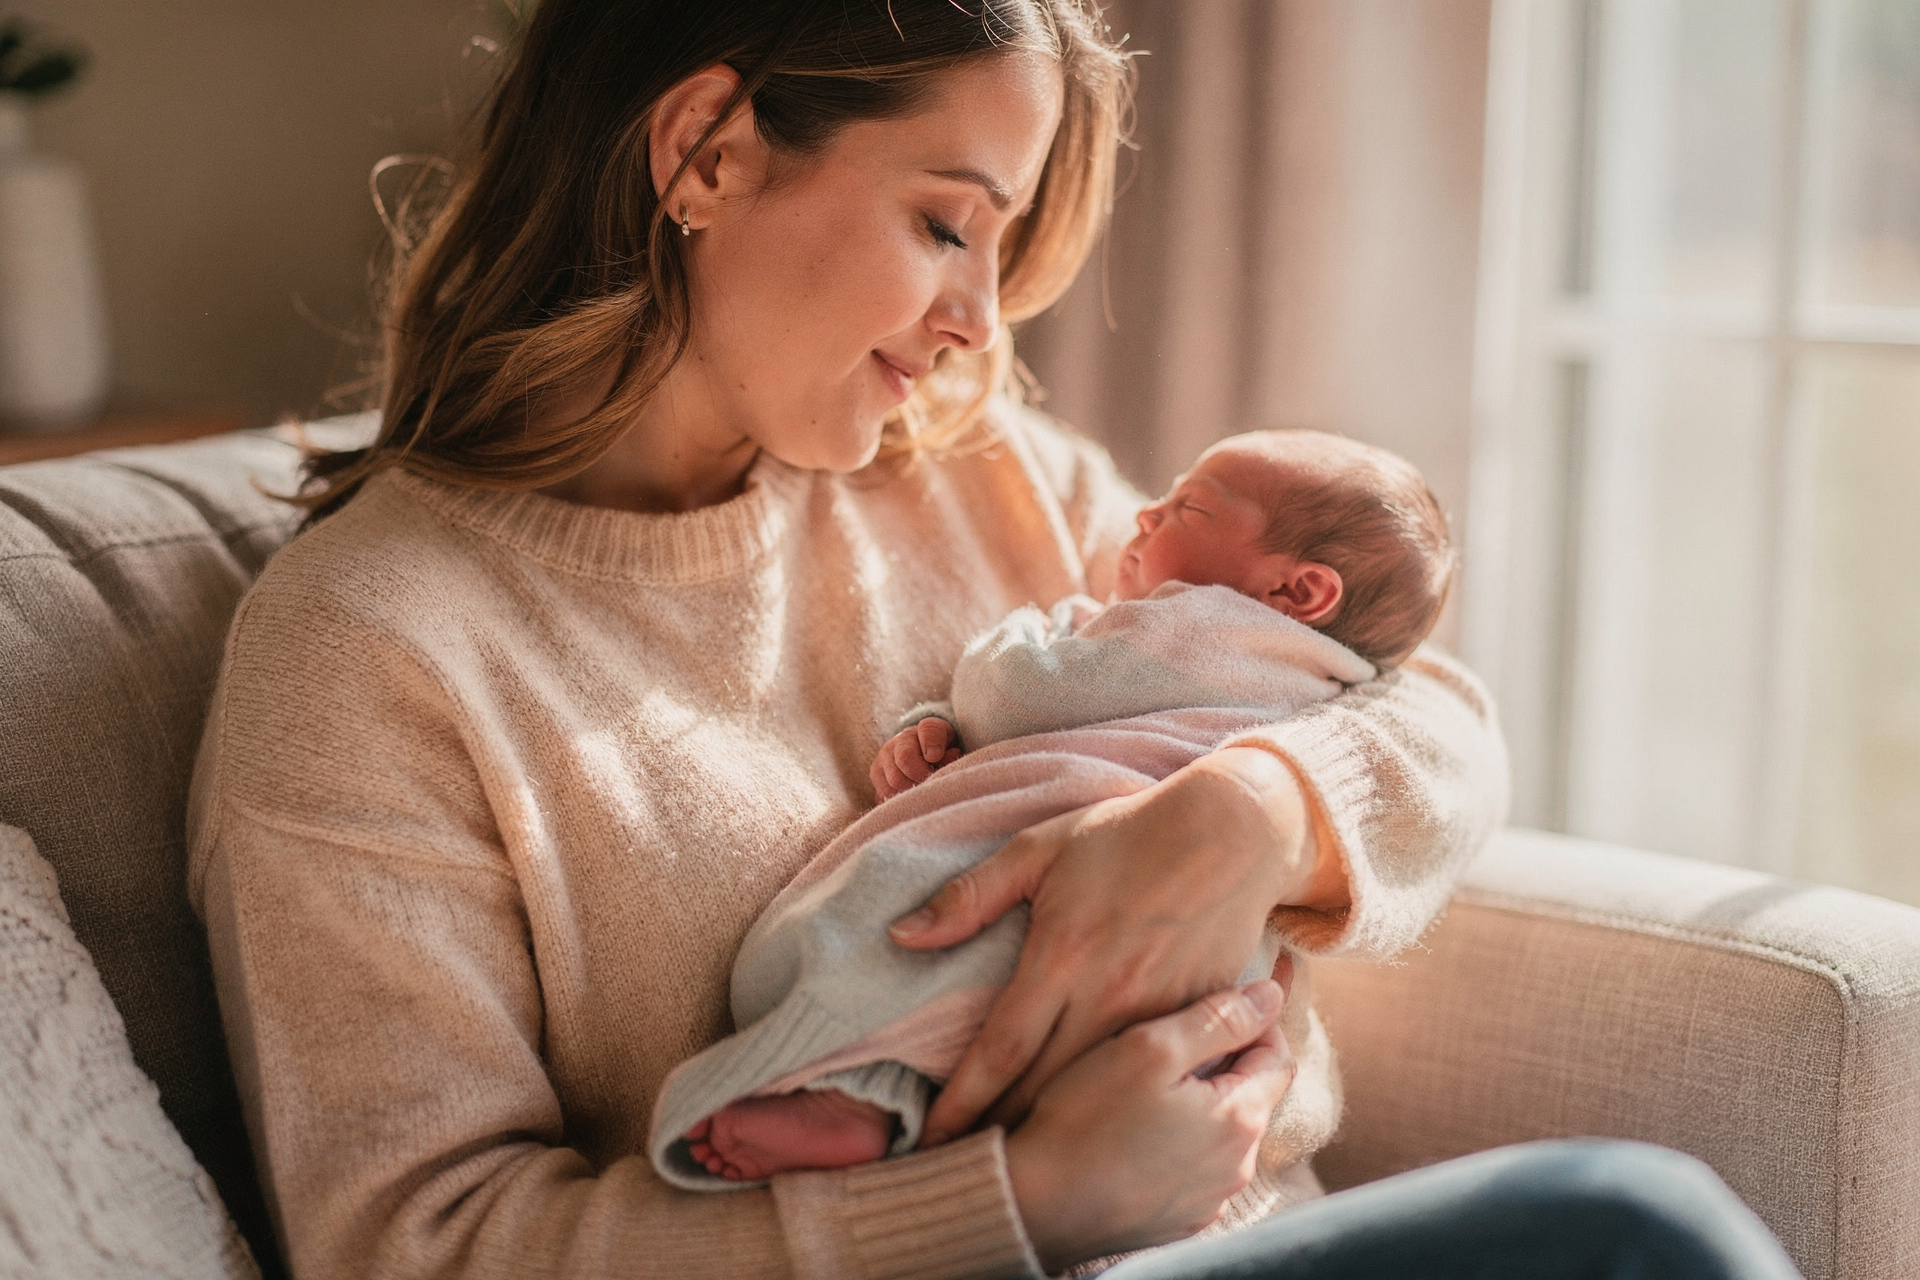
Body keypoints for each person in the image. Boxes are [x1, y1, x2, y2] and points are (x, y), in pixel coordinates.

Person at [184, 1, 1799, 1276]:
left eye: (1001, 247)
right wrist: (1026, 1195)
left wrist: (1256, 813)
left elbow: (1422, 707)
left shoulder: (971, 469)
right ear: (704, 149)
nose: (980, 321)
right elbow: (414, 1248)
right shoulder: (374, 655)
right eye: (950, 225)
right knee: (1628, 1234)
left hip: (1265, 1231)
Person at [657, 428, 1454, 1185]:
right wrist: (939, 732)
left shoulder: (1199, 627)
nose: (1146, 513)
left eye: (1190, 508)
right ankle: (880, 1107)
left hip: (1103, 915)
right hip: (1200, 1020)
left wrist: (1026, 636)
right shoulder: (1328, 679)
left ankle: (860, 1090)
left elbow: (1020, 698)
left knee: (936, 936)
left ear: (1297, 590)